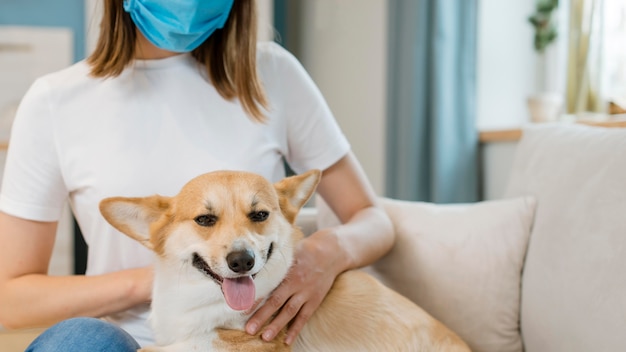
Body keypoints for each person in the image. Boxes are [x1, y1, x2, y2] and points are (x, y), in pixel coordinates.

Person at [0, 0, 394, 350]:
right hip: (128, 338)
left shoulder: (274, 72)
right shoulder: (54, 101)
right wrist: (167, 277)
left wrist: (323, 255)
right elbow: (11, 299)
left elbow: (375, 220)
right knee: (81, 341)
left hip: (246, 336)